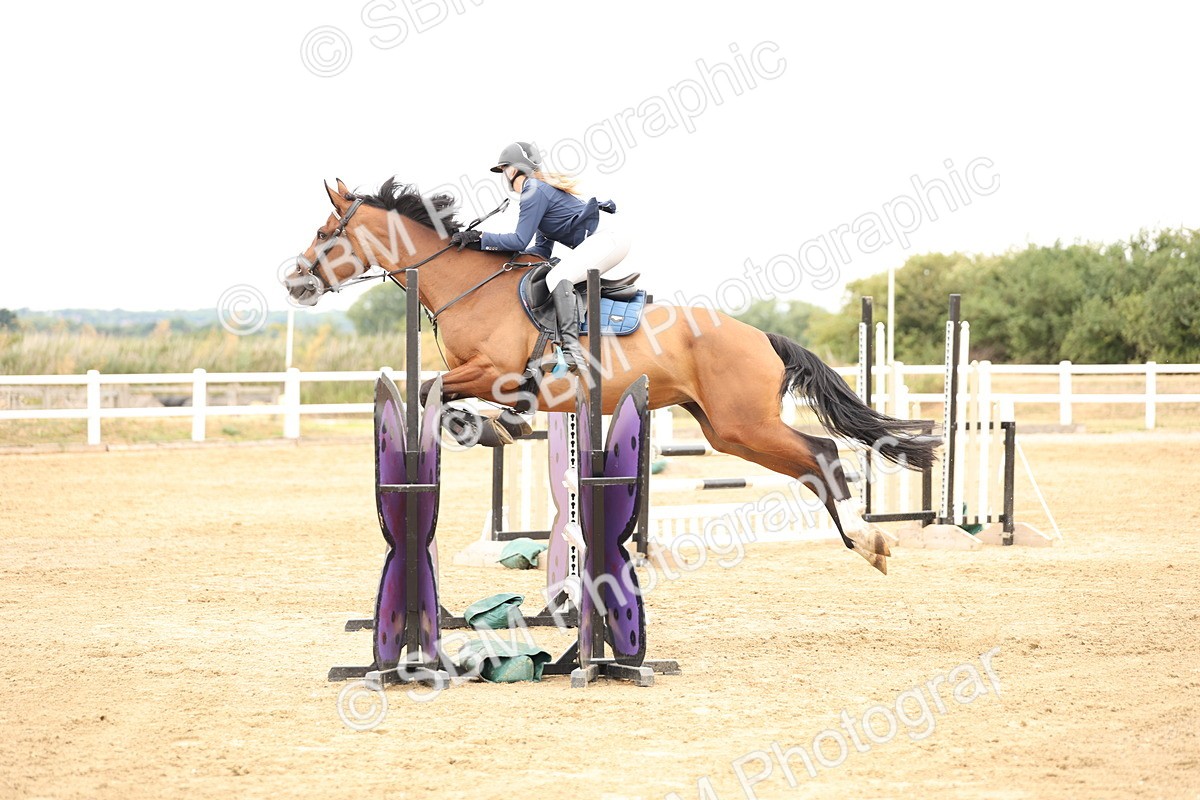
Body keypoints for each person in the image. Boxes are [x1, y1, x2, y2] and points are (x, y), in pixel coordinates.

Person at [450, 141, 630, 372]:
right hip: (609, 236)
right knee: (555, 274)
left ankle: (571, 351)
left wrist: (481, 237)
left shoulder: (533, 190)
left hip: (610, 236)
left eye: (504, 169)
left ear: (514, 169)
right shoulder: (538, 190)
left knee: (556, 278)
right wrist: (483, 248)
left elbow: (518, 240)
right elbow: (540, 252)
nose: (504, 175)